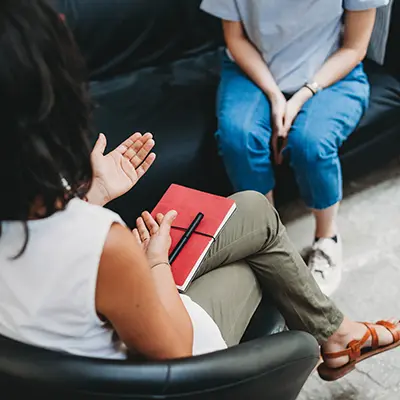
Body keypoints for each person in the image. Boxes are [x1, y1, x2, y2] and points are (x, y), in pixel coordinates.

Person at [0, 0, 398, 383]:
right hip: (164, 369)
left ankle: (339, 334)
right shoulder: (104, 243)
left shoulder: (52, 227)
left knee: (253, 209)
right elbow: (174, 355)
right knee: (262, 264)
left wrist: (95, 193)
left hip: (88, 342)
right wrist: (153, 261)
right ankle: (338, 337)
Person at [200, 0, 390, 296]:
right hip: (252, 70)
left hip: (331, 73)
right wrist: (275, 96)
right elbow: (235, 38)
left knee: (310, 144)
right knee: (238, 138)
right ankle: (267, 242)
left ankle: (327, 238)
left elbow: (355, 47)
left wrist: (301, 96)